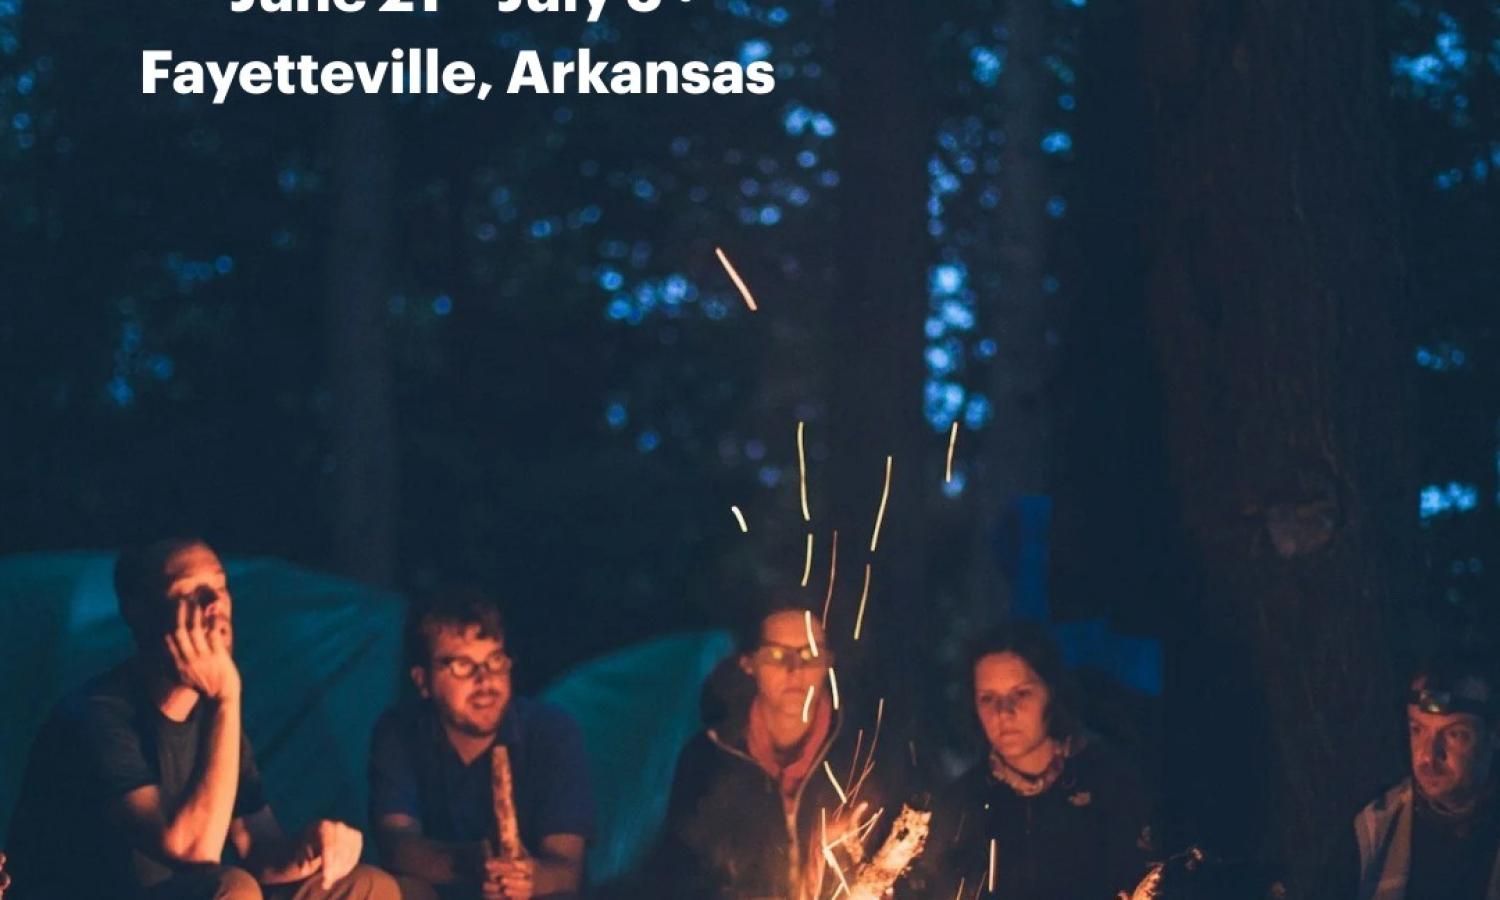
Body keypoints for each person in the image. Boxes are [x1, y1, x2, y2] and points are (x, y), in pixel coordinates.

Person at [3, 537, 399, 900]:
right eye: (190, 591)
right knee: (231, 889)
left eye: (221, 586)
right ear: (139, 612)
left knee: (367, 887)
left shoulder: (211, 718)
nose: (214, 603)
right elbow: (193, 850)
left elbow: (258, 848)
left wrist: (313, 848)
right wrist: (226, 696)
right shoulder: (97, 715)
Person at [901, 621, 1156, 899]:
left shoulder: (1109, 782)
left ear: (1051, 693)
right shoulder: (962, 805)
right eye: (988, 698)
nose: (1004, 713)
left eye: (1021, 694)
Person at [367, 588, 593, 900]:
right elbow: (396, 842)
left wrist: (527, 878)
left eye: (495, 661)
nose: (485, 680)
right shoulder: (400, 732)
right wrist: (473, 863)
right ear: (423, 680)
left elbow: (568, 867)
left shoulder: (551, 734)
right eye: (462, 665)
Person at [652, 599, 875, 899]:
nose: (795, 670)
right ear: (748, 663)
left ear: (829, 661)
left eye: (810, 653)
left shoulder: (862, 755)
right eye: (777, 654)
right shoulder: (708, 761)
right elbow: (678, 878)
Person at [1336, 649, 1500, 899]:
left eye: (1455, 734)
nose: (1428, 756)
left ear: (1493, 735)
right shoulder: (1375, 831)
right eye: (1418, 730)